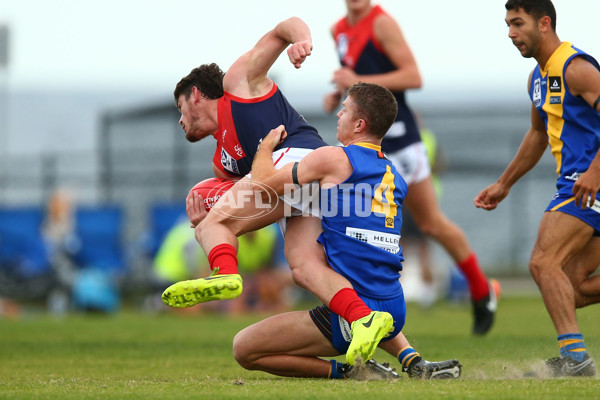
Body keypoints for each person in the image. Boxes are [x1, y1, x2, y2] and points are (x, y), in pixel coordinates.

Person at [162, 17, 459, 376]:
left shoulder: (237, 84)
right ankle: (382, 337)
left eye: (180, 109)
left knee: (212, 228)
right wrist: (210, 211)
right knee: (304, 268)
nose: (180, 121)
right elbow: (257, 206)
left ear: (195, 95)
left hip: (298, 161)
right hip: (302, 191)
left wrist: (300, 41)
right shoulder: (222, 160)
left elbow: (283, 28)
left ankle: (224, 273)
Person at [238, 82, 461, 379]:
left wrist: (265, 147)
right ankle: (412, 361)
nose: (337, 115)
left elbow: (264, 183)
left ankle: (347, 372)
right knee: (358, 275)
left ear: (359, 124)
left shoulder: (333, 158)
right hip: (394, 306)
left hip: (352, 311)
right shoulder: (393, 174)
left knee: (244, 348)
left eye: (343, 109)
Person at [323, 0, 499, 335]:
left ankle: (481, 289)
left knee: (430, 223)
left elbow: (413, 76)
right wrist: (341, 95)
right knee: (352, 223)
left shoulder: (381, 24)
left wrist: (356, 79)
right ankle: (355, 312)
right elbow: (361, 87)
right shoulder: (339, 30)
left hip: (400, 139)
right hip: (366, 142)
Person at [475, 0, 599, 377]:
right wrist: (504, 183)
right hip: (578, 186)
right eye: (508, 25)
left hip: (588, 185)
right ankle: (575, 358)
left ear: (544, 23)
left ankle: (576, 361)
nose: (511, 33)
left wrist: (595, 172)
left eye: (517, 23)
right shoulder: (537, 78)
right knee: (572, 288)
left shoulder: (577, 68)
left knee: (542, 263)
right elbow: (537, 134)